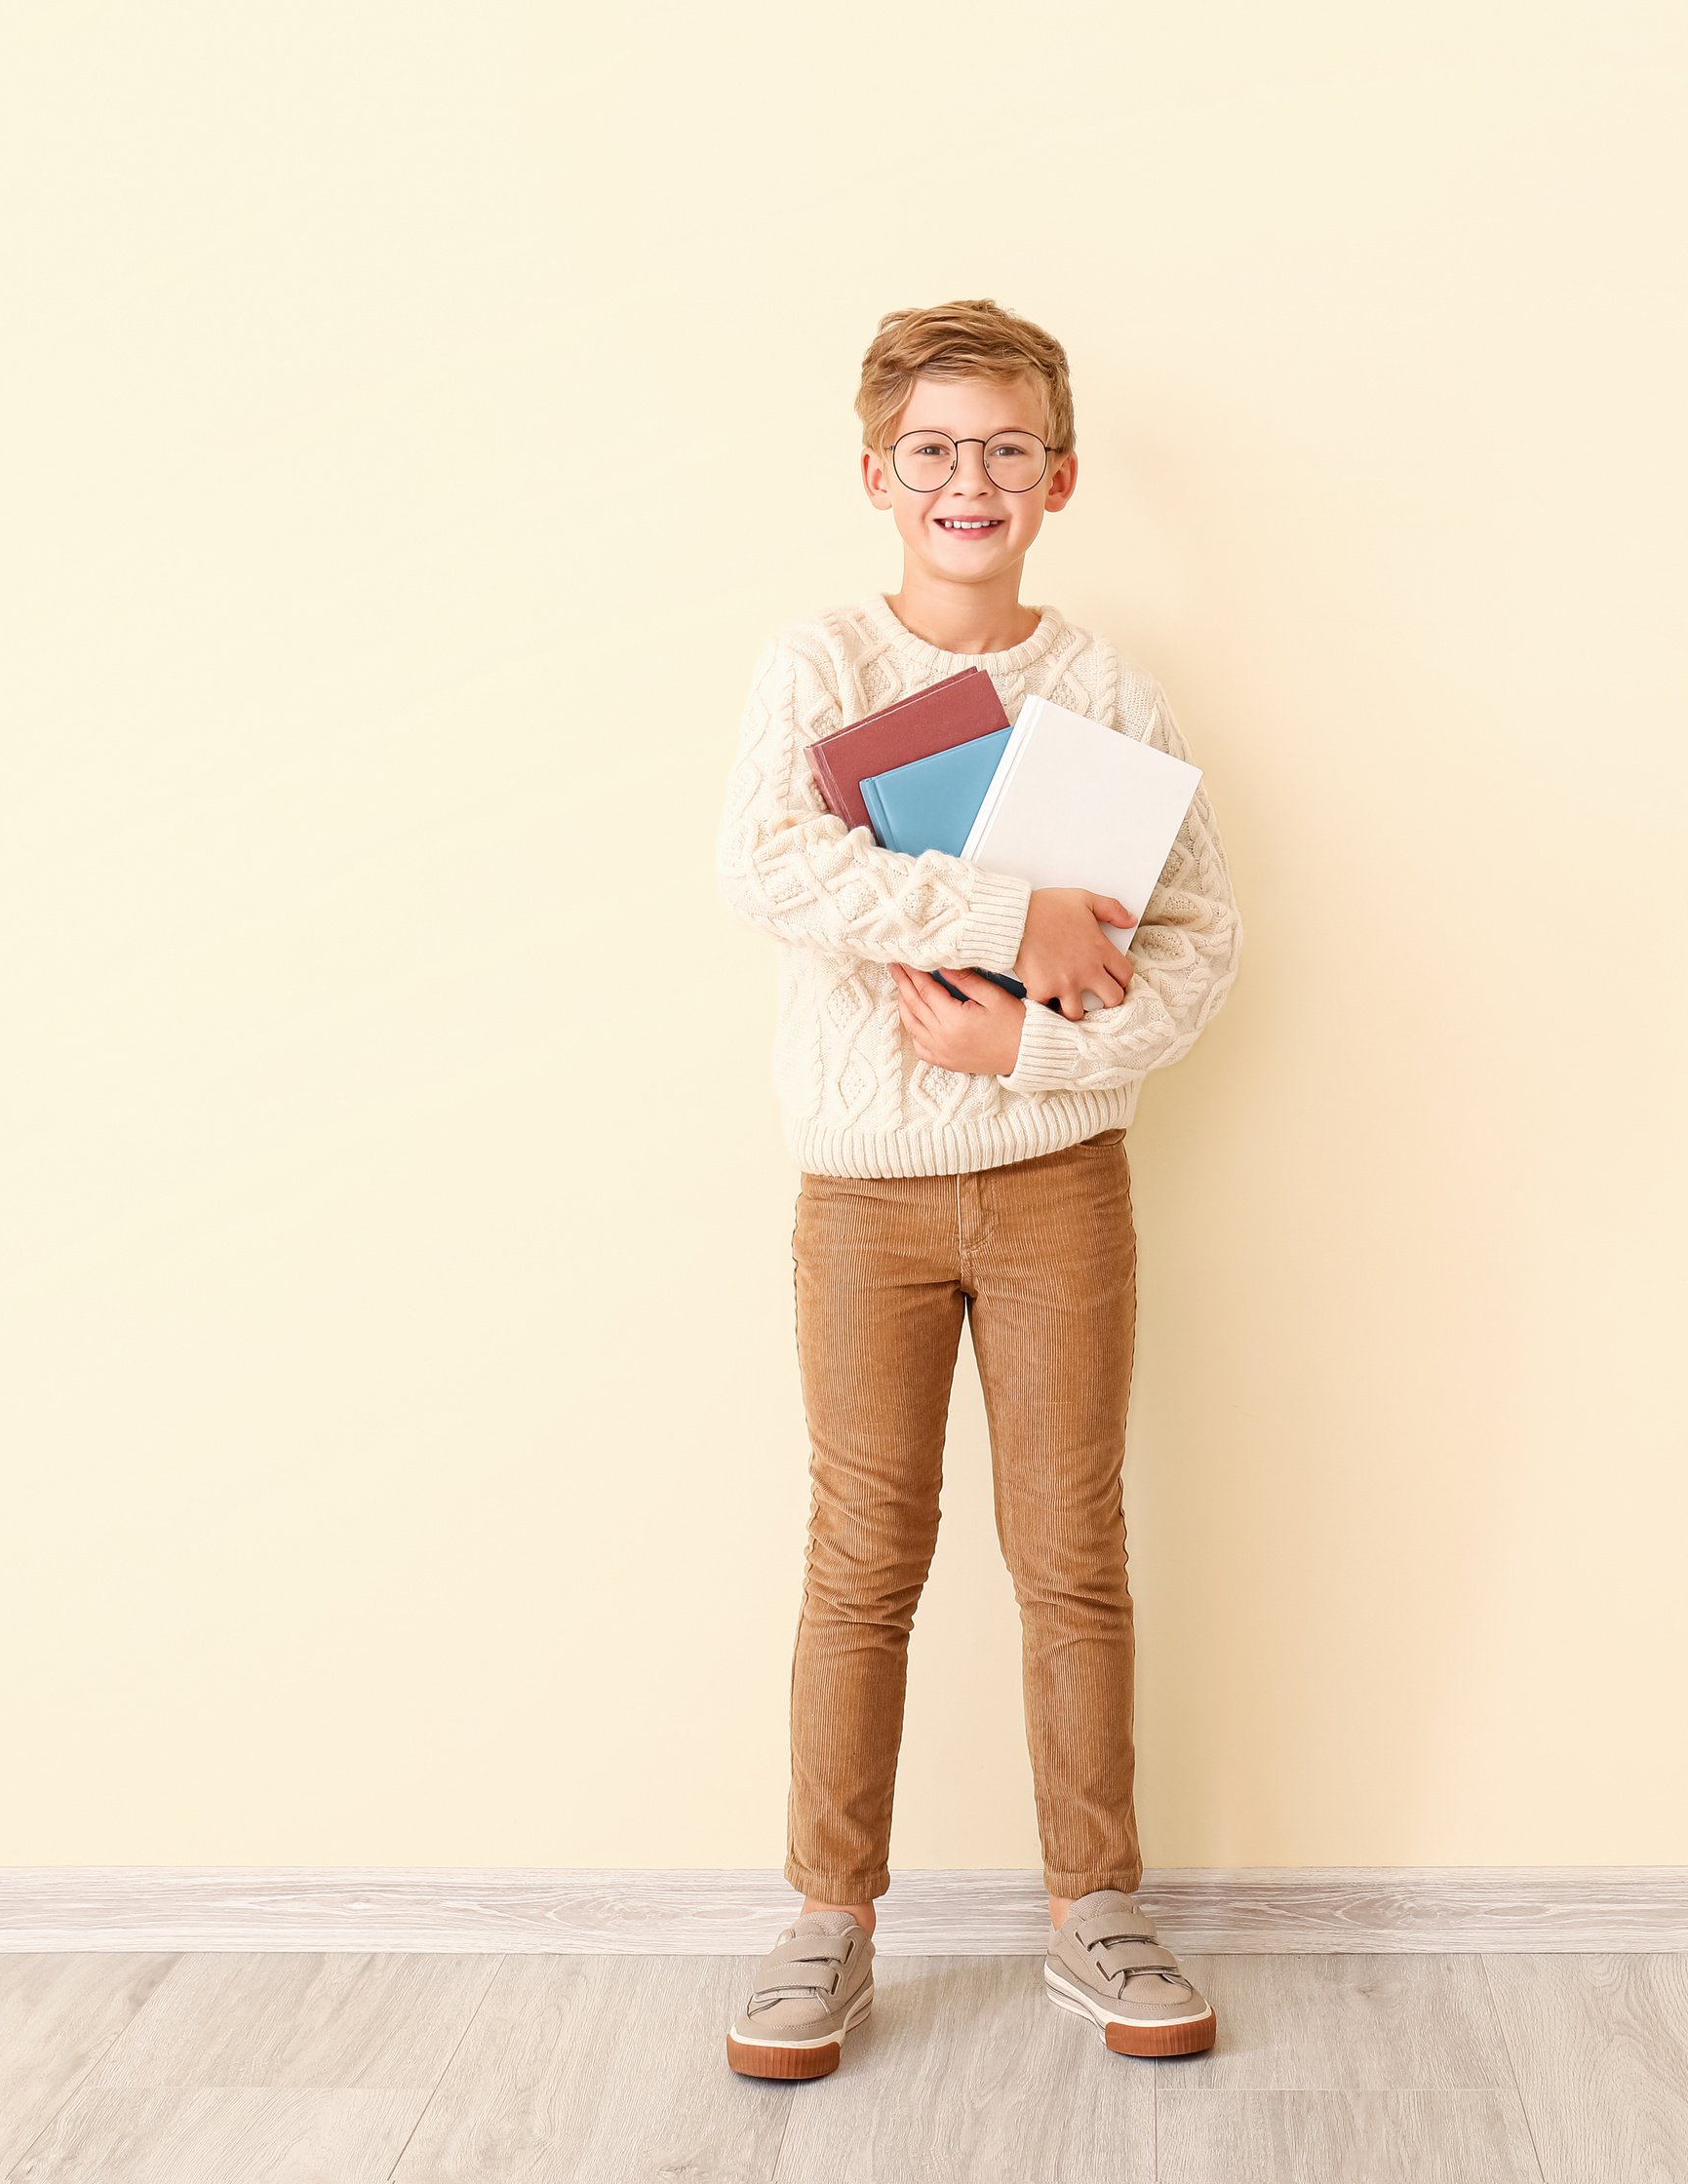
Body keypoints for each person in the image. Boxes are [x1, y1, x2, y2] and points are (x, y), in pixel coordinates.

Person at [710, 298, 1244, 2079]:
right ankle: (822, 1925)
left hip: (1055, 1186)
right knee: (862, 1556)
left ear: (1058, 478)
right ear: (878, 476)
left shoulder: (1103, 694)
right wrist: (1000, 914)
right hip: (860, 1194)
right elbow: (771, 865)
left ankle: (1096, 1908)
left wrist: (1029, 1054)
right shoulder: (817, 669)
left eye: (1006, 450)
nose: (970, 479)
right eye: (933, 450)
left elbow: (1190, 946)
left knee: (1070, 1555)